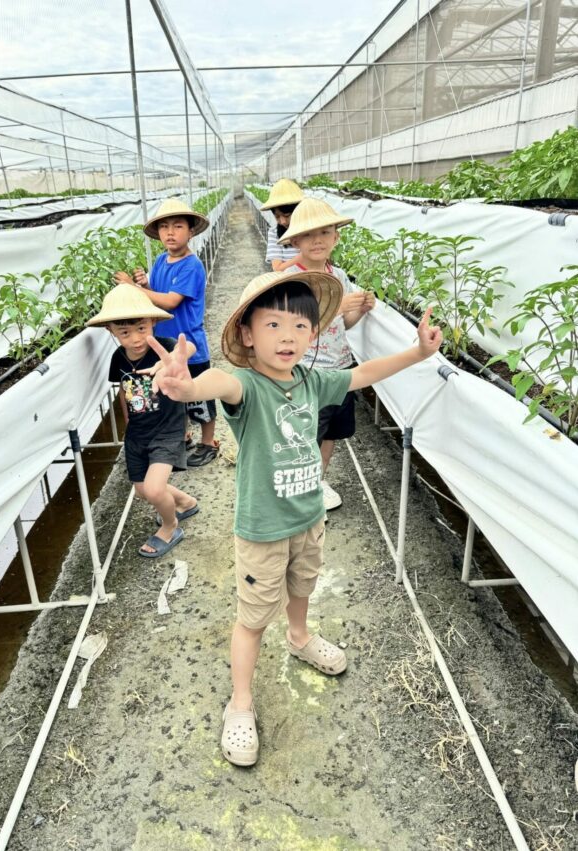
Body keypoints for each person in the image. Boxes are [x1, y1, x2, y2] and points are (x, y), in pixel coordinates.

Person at [149, 269, 442, 766]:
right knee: (252, 617)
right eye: (273, 325)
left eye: (300, 327)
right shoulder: (246, 385)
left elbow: (360, 376)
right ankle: (240, 703)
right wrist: (183, 386)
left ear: (313, 333)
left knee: (303, 583)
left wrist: (418, 353)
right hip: (263, 529)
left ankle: (301, 636)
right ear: (246, 333)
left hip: (308, 516)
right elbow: (215, 382)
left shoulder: (311, 380)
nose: (288, 337)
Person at [87, 284, 199, 559]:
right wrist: (127, 424)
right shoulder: (118, 358)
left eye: (142, 329)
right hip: (138, 432)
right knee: (141, 489)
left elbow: (189, 348)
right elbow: (124, 391)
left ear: (154, 322)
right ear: (110, 331)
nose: (135, 338)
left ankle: (170, 526)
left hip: (168, 429)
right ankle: (185, 502)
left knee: (154, 488)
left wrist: (171, 360)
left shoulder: (167, 349)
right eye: (124, 332)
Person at [279, 196, 376, 513]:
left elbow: (344, 325)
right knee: (306, 433)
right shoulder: (292, 279)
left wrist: (360, 309)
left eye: (325, 232)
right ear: (295, 240)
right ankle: (301, 490)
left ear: (336, 236)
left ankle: (316, 480)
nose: (317, 240)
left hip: (340, 368)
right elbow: (291, 333)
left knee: (330, 431)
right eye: (308, 234)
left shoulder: (340, 276)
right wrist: (337, 307)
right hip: (306, 373)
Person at [114, 198, 219, 467]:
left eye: (177, 226)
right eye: (164, 227)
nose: (170, 232)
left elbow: (171, 301)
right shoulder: (161, 260)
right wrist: (146, 283)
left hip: (189, 347)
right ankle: (182, 438)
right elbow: (155, 295)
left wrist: (133, 288)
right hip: (164, 347)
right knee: (172, 396)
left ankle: (208, 443)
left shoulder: (192, 265)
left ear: (191, 231)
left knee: (200, 398)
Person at [260, 178, 305, 272]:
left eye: (287, 215)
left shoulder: (313, 230)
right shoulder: (274, 233)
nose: (283, 221)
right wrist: (305, 255)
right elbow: (277, 268)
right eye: (277, 217)